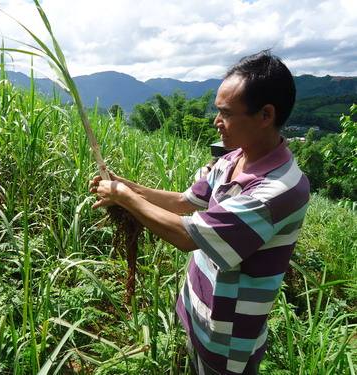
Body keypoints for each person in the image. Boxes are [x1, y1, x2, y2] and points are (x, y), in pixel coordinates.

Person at [89, 50, 310, 374]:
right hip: (198, 313)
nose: (216, 122)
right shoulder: (233, 158)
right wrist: (129, 187)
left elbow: (189, 234)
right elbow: (185, 202)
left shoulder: (279, 191)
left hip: (228, 339)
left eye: (226, 113)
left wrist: (123, 197)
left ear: (265, 115)